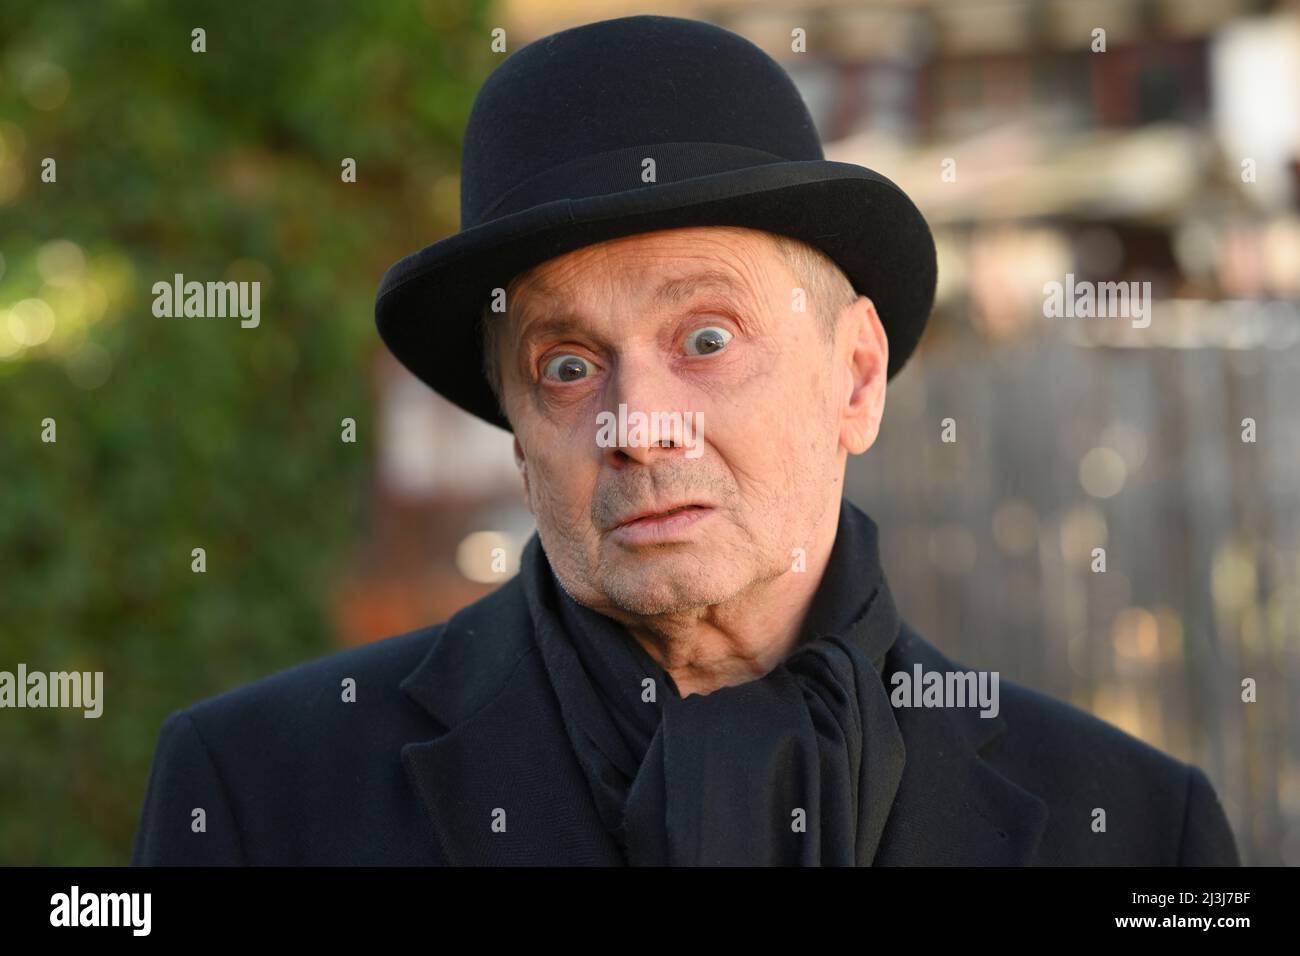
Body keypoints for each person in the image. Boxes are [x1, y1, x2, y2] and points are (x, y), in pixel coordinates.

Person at [131, 14, 1238, 866]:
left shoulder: (1138, 827)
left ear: (853, 377)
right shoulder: (257, 795)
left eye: (705, 336)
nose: (635, 423)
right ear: (518, 436)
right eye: (565, 365)